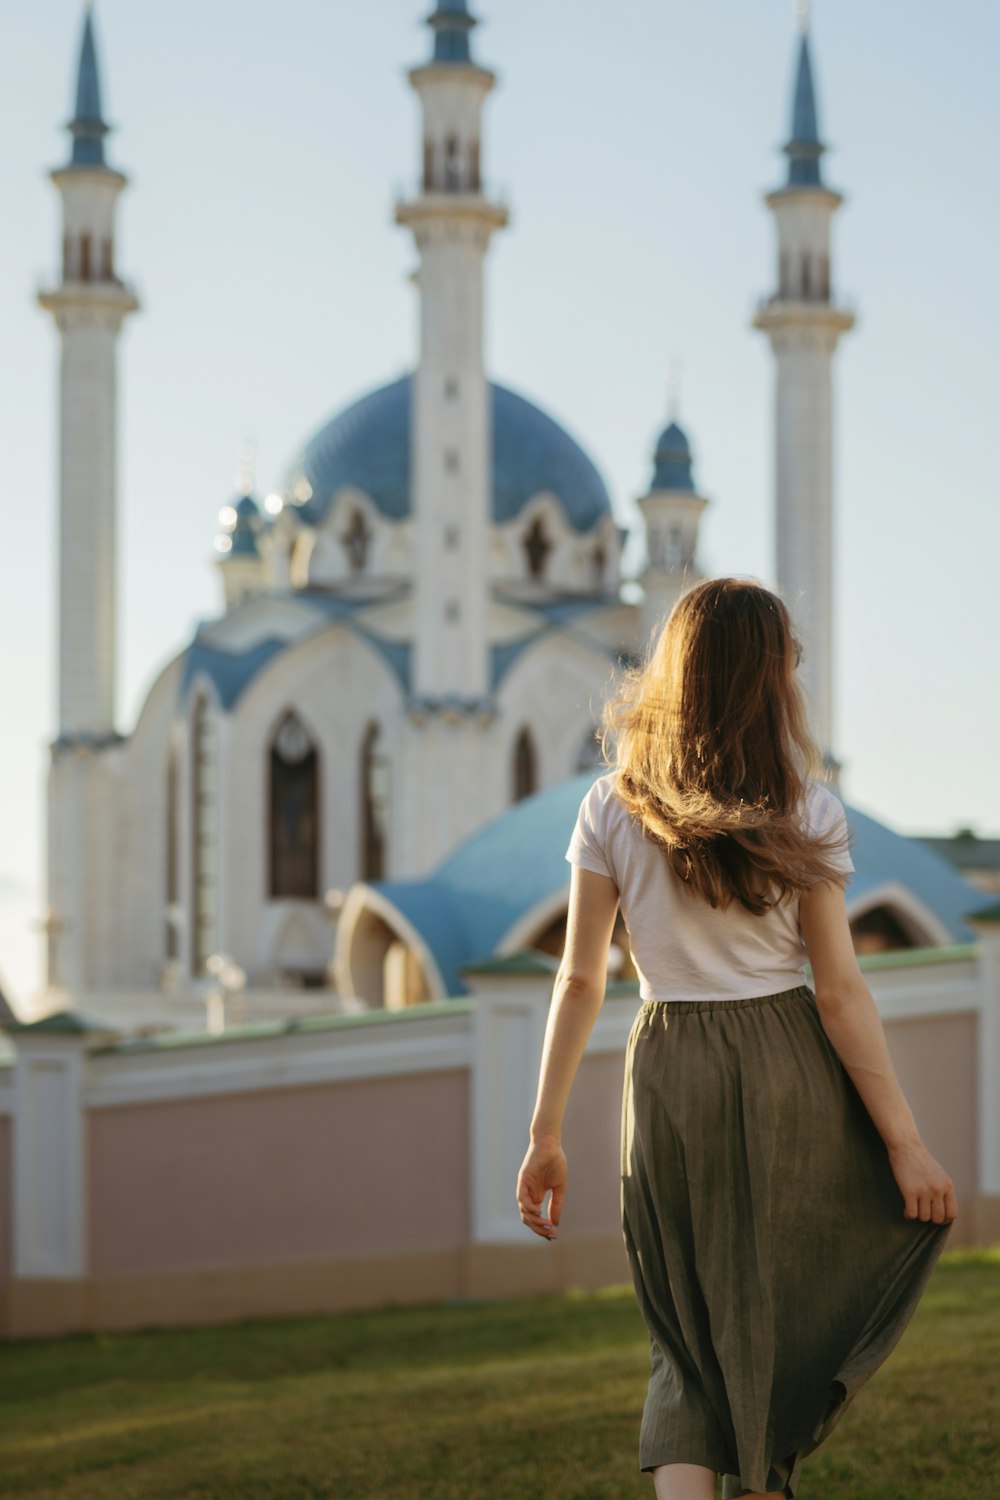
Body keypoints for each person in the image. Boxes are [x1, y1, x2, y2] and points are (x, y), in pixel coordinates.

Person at [516, 577, 956, 1500]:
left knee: (682, 1334)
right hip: (784, 1061)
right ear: (772, 683)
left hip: (665, 1066)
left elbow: (582, 977)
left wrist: (545, 1135)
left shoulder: (610, 805)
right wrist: (906, 1145)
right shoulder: (810, 811)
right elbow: (838, 993)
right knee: (771, 1314)